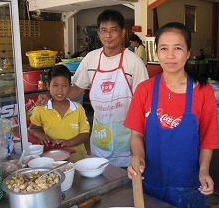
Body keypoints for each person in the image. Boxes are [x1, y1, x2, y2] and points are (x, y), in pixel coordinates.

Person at [124, 22, 219, 208]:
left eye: (178, 48)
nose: (170, 55)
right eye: (164, 48)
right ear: (156, 52)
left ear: (188, 52)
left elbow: (208, 139)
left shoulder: (203, 91)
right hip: (150, 182)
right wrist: (139, 159)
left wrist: (204, 171)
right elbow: (136, 134)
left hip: (189, 186)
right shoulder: (144, 90)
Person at [37, 10, 149, 167]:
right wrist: (52, 96)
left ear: (123, 33)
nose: (108, 35)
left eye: (113, 30)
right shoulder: (91, 58)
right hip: (100, 137)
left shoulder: (134, 62)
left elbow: (143, 102)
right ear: (99, 33)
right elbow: (76, 89)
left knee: (124, 183)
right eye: (104, 30)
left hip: (127, 138)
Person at [29, 64, 90, 154]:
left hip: (77, 157)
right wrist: (41, 136)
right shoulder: (40, 109)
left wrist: (69, 142)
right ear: (47, 85)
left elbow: (85, 134)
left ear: (70, 86)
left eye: (64, 85)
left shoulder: (78, 109)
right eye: (55, 85)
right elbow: (33, 128)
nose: (60, 90)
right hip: (52, 157)